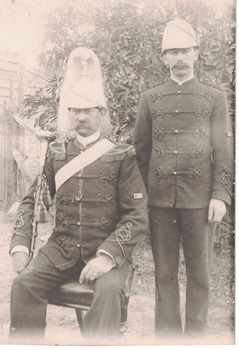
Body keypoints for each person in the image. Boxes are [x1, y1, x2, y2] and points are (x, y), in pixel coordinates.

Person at [9, 47, 148, 344]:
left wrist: (107, 257)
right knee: (24, 284)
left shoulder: (121, 156)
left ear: (102, 113)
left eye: (88, 110)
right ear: (69, 113)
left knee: (109, 291)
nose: (81, 116)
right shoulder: (56, 153)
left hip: (105, 250)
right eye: (76, 110)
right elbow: (32, 201)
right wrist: (20, 245)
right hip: (62, 248)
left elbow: (136, 216)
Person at [133, 18, 233, 340]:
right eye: (172, 52)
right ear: (164, 58)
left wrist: (220, 194)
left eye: (184, 51)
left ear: (196, 53)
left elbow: (223, 150)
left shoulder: (214, 97)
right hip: (160, 200)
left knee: (200, 276)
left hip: (201, 201)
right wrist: (142, 198)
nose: (178, 57)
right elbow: (142, 152)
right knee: (164, 274)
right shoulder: (150, 98)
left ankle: (196, 340)